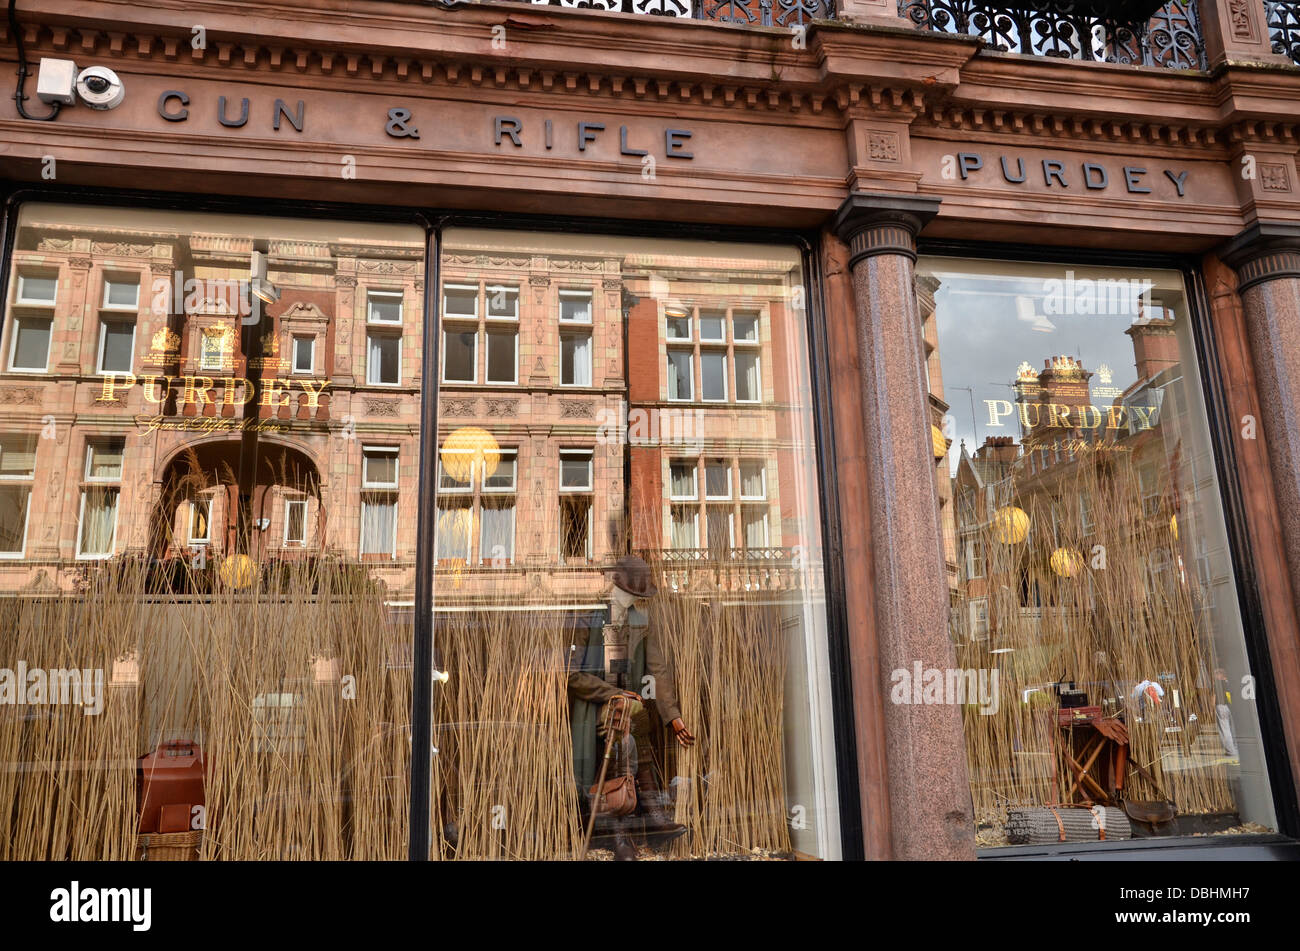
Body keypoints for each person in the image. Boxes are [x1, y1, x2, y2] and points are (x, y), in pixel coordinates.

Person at [567, 554, 692, 860]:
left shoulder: (640, 621)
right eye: (630, 593)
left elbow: (659, 671)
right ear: (617, 587)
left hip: (627, 715)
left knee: (629, 731)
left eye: (637, 595)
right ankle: (645, 816)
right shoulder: (589, 617)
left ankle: (622, 828)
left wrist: (673, 716)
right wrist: (614, 693)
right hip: (594, 706)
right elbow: (572, 675)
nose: (633, 599)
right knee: (631, 713)